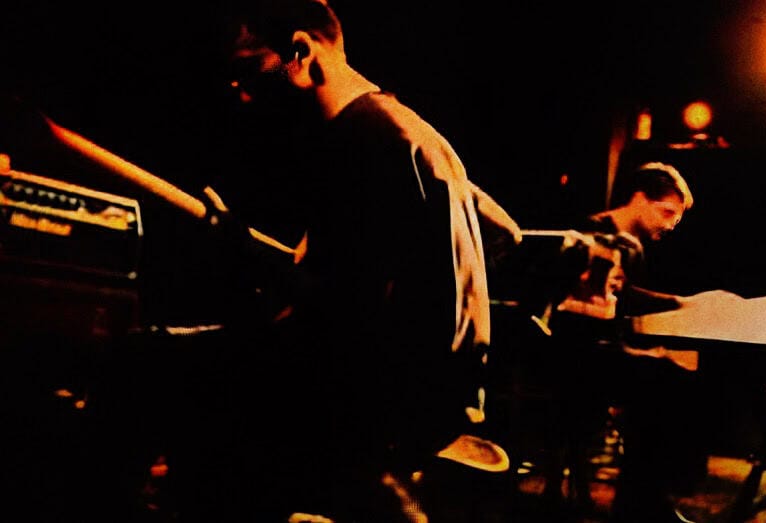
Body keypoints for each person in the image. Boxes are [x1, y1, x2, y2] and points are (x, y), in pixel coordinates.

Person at [161, 1, 523, 521]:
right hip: (447, 390)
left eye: (247, 71)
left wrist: (242, 254)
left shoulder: (357, 141)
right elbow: (503, 233)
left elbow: (335, 312)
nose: (240, 94)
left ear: (302, 53)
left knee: (153, 362)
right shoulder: (413, 133)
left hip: (378, 397)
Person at [519, 161, 705, 522]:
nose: (669, 225)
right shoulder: (592, 233)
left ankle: (645, 497)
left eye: (675, 220)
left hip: (598, 352)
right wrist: (678, 305)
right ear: (638, 199)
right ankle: (644, 502)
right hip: (569, 355)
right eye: (666, 213)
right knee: (667, 380)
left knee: (674, 379)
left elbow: (625, 299)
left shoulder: (633, 248)